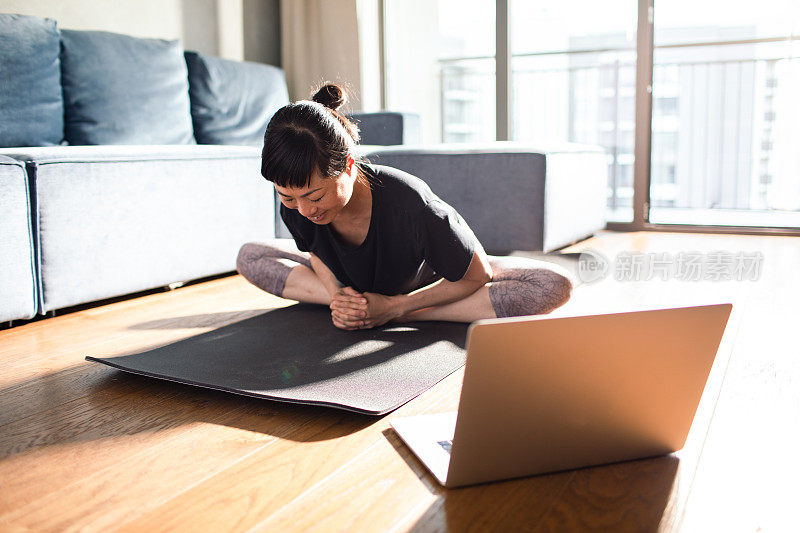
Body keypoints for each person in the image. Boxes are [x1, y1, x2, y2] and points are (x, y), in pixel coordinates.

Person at [237, 83, 573, 330]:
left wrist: (396, 308)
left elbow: (477, 275)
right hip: (349, 284)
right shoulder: (297, 204)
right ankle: (361, 308)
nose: (304, 210)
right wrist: (336, 294)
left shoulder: (411, 203)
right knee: (250, 256)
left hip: (425, 286)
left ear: (350, 167)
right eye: (286, 196)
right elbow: (316, 251)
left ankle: (399, 312)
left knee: (552, 285)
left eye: (315, 196)